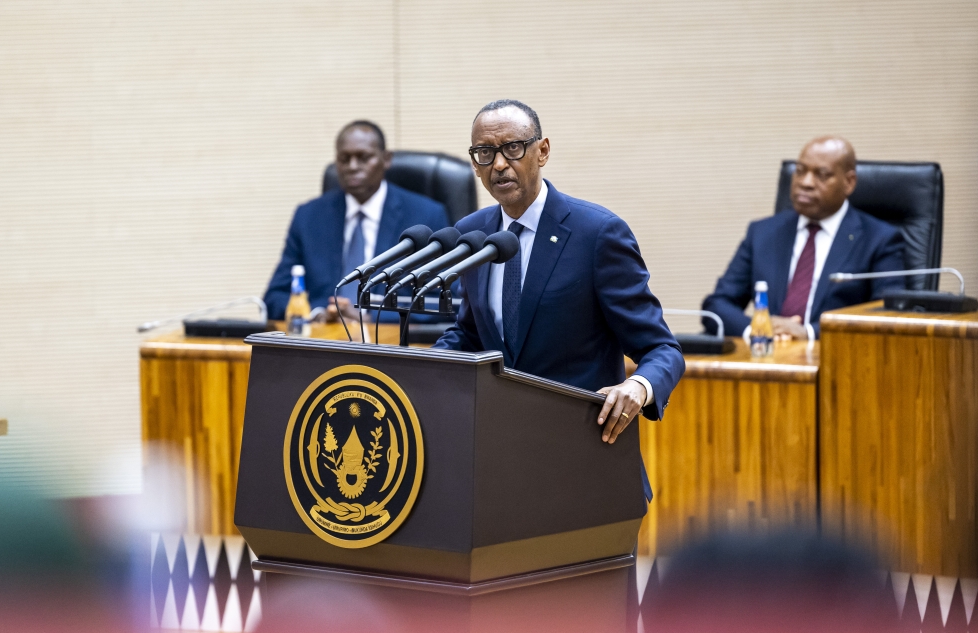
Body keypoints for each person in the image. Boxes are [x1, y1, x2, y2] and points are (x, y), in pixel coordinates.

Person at [433, 100, 684, 446]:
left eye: (513, 148)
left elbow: (661, 349)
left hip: (582, 448)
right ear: (475, 164)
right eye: (485, 153)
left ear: (543, 151)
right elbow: (472, 333)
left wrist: (638, 388)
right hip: (500, 448)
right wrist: (427, 366)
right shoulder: (472, 234)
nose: (500, 164)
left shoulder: (597, 234)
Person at [702, 136, 905, 340]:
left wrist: (808, 333)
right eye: (800, 171)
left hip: (838, 361)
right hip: (768, 360)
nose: (805, 182)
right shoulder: (762, 233)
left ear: (849, 182)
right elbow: (717, 304)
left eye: (822, 175)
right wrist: (759, 329)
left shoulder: (879, 240)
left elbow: (885, 315)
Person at [263, 121, 449, 322]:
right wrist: (317, 313)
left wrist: (371, 317)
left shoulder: (426, 217)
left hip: (388, 345)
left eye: (363, 158)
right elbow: (275, 297)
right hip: (324, 341)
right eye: (344, 159)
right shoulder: (309, 217)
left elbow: (443, 301)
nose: (352, 167)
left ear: (386, 159)